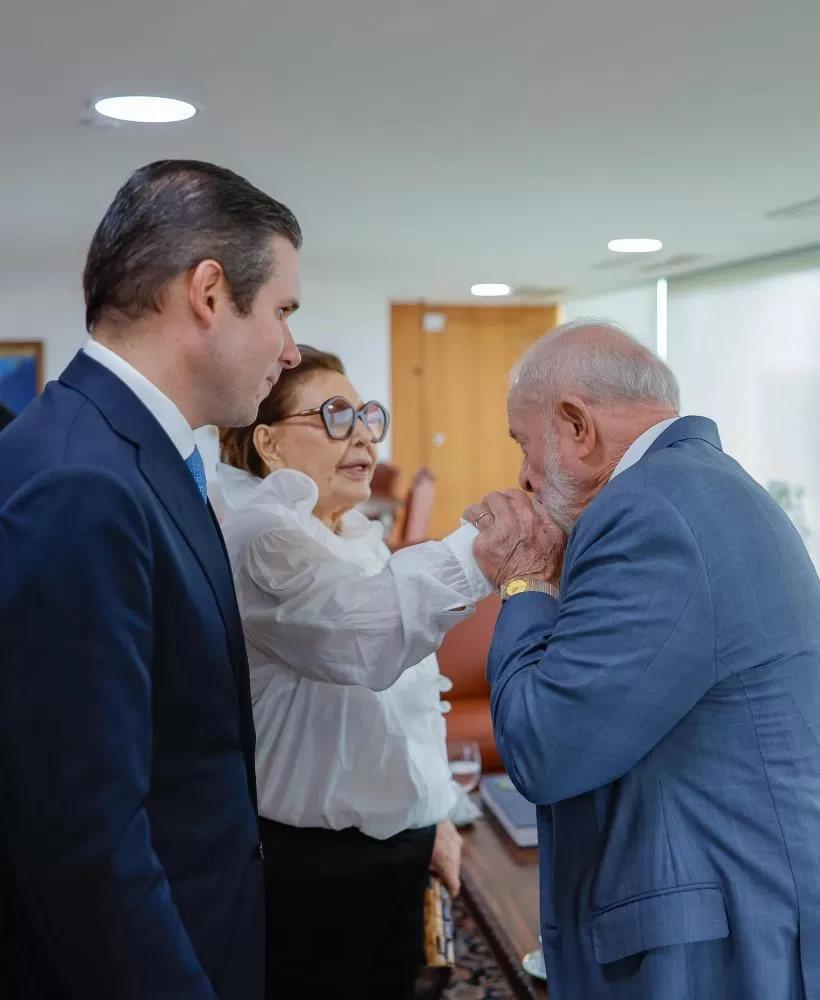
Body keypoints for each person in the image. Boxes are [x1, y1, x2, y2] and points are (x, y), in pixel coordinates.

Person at [0, 160, 302, 1000]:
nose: (291, 348)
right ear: (209, 293)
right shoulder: (82, 482)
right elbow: (85, 839)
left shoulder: (130, 452)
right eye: (281, 311)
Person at [466, 320, 820, 1000]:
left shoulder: (650, 511)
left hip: (715, 945)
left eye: (523, 442)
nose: (522, 475)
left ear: (576, 425)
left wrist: (526, 580)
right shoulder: (697, 486)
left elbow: (545, 749)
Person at [218, 346, 492, 1000]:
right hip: (314, 866)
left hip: (389, 852)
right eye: (336, 416)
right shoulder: (264, 537)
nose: (365, 433)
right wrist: (489, 548)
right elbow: (366, 641)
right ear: (269, 442)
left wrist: (436, 814)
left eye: (369, 416)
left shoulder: (354, 535)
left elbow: (402, 711)